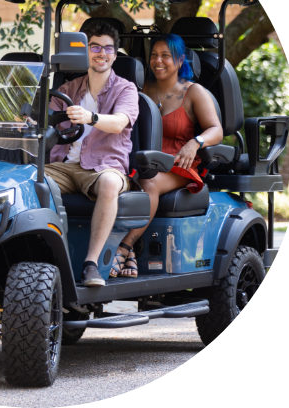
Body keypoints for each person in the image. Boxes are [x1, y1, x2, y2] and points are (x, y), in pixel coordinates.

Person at [110, 33, 223, 278]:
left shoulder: (193, 92)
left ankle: (123, 248)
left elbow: (216, 130)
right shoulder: (140, 89)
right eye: (154, 55)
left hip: (178, 163)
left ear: (180, 60)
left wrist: (195, 142)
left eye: (165, 56)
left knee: (149, 182)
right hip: (141, 162)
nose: (158, 61)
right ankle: (130, 255)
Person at [45, 20, 139, 287]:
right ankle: (42, 256)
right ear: (84, 52)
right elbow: (47, 120)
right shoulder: (68, 89)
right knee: (29, 178)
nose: (101, 53)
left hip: (104, 167)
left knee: (109, 183)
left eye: (108, 48)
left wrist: (91, 117)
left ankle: (91, 264)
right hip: (65, 166)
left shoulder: (126, 89)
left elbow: (119, 123)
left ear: (115, 54)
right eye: (94, 47)